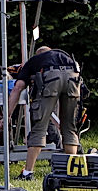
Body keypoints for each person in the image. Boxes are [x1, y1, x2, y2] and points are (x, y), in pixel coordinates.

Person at [5, 46, 83, 181]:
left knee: (39, 127)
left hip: (50, 79)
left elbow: (17, 88)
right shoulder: (65, 56)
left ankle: (27, 173)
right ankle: (73, 172)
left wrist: (7, 115)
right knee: (69, 128)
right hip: (73, 78)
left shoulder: (34, 61)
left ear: (38, 54)